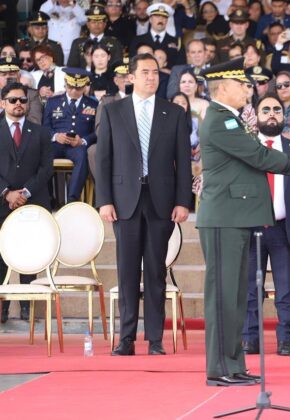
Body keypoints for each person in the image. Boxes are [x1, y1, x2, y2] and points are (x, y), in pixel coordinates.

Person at [195, 57, 290, 386]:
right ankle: (220, 368)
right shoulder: (221, 120)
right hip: (224, 218)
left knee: (236, 296)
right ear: (223, 88)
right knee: (224, 297)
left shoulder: (232, 119)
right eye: (242, 85)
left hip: (235, 217)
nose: (248, 90)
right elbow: (259, 157)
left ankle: (233, 364)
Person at [95, 53, 192, 356]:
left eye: (155, 72)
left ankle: (155, 339)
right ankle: (126, 338)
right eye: (145, 72)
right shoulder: (113, 111)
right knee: (126, 271)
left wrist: (183, 201)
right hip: (124, 201)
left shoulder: (173, 112)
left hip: (161, 200)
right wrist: (104, 200)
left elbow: (183, 162)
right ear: (131, 77)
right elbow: (103, 159)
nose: (151, 77)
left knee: (155, 271)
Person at [241, 93, 290, 357]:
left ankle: (285, 339)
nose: (272, 114)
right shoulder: (246, 148)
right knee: (250, 288)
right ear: (256, 115)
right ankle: (249, 338)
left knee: (286, 289)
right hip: (251, 228)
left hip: (286, 228)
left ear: (284, 115)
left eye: (277, 109)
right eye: (266, 110)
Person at [0, 82, 53, 324]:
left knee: (28, 254)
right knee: (1, 256)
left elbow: (46, 168)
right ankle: (2, 308)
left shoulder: (40, 132)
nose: (18, 104)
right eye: (13, 100)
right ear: (3, 103)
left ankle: (27, 307)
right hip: (2, 202)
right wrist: (7, 193)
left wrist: (25, 192)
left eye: (22, 100)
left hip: (32, 202)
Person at [43, 68, 98, 204]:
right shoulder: (53, 102)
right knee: (42, 155)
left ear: (85, 87)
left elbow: (97, 132)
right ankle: (48, 198)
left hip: (77, 146)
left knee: (83, 156)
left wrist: (83, 141)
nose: (73, 91)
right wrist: (56, 136)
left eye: (78, 88)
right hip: (56, 144)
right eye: (70, 87)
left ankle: (72, 200)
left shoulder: (93, 104)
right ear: (65, 84)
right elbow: (44, 128)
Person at [66, 5, 123, 69]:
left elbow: (118, 68)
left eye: (100, 22)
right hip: (83, 75)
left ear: (105, 24)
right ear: (88, 25)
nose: (97, 25)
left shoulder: (114, 43)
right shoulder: (77, 43)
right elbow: (71, 67)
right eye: (93, 22)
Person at [129, 4, 182, 70]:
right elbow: (131, 64)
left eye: (164, 17)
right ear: (150, 19)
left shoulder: (177, 42)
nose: (161, 19)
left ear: (167, 20)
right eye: (157, 16)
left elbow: (181, 66)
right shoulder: (137, 40)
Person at [0, 57, 43, 124]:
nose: (8, 77)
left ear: (19, 76)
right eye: (4, 74)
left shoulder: (31, 94)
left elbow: (35, 122)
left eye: (12, 74)